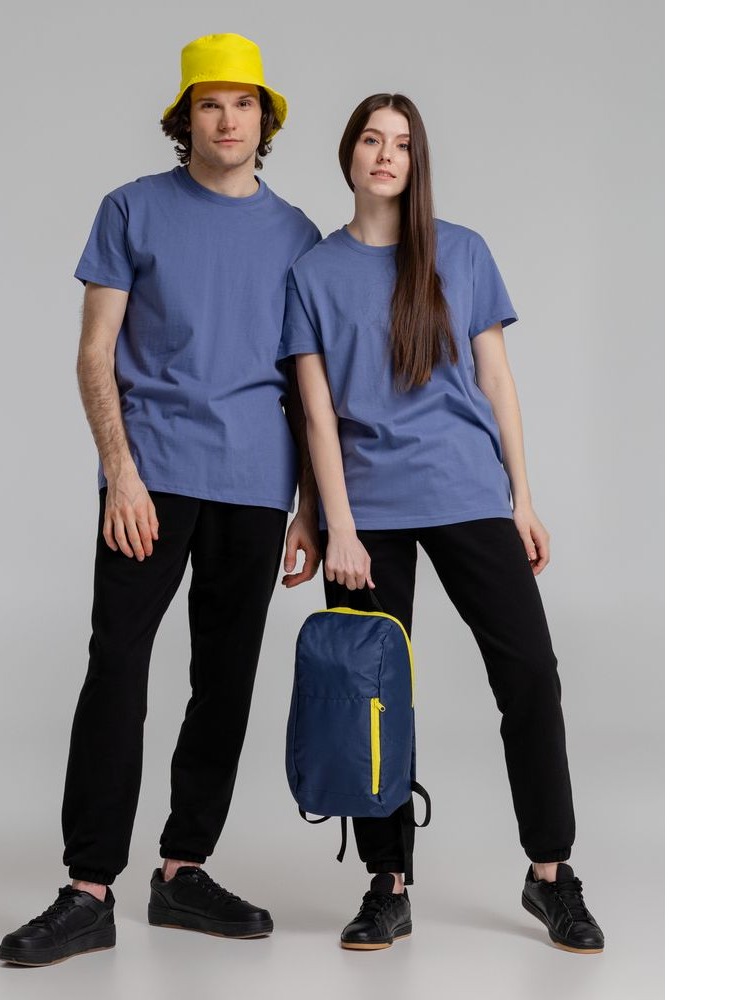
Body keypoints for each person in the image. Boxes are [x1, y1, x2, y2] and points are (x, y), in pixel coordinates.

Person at [0, 33, 321, 966]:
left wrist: (306, 506)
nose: (228, 119)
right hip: (152, 480)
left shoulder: (299, 235)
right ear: (186, 118)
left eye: (245, 103)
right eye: (210, 104)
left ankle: (183, 872)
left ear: (264, 120)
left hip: (255, 488)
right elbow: (94, 352)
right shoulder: (131, 209)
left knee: (225, 680)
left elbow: (309, 384)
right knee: (118, 669)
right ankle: (88, 889)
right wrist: (121, 471)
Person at [279, 93, 605, 954]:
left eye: (401, 143)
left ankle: (551, 875)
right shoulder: (313, 273)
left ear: (416, 161)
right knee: (371, 697)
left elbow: (498, 382)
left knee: (529, 675)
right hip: (367, 511)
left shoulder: (462, 252)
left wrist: (522, 498)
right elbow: (316, 414)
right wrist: (336, 526)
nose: (386, 154)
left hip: (467, 493)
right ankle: (386, 882)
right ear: (349, 154)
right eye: (371, 139)